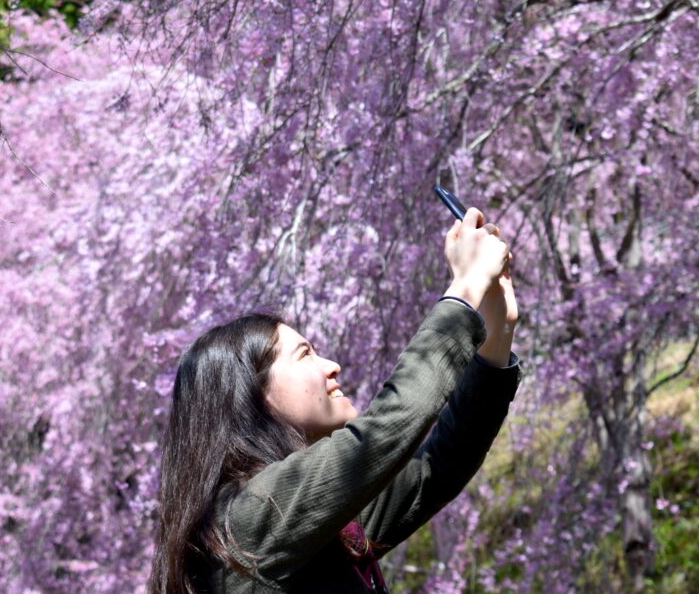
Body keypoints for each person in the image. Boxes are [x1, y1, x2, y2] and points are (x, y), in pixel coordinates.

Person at [150, 207, 522, 593]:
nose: (332, 366)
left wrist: (498, 329)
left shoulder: (314, 520)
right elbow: (388, 427)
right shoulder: (250, 518)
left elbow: (440, 465)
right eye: (304, 354)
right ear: (251, 397)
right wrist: (465, 287)